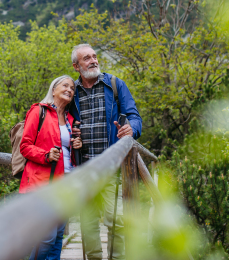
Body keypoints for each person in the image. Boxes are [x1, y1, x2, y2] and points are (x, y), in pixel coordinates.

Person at [71, 43, 142, 260]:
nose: (93, 60)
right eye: (86, 58)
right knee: (88, 222)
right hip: (85, 168)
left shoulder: (114, 84)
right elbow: (62, 123)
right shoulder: (71, 91)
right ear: (76, 66)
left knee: (115, 221)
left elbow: (135, 117)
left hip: (111, 167)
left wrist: (132, 128)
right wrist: (73, 137)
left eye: (94, 56)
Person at [19, 75, 83, 260]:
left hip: (65, 183)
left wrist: (76, 146)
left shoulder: (70, 120)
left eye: (72, 88)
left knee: (57, 239)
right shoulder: (39, 111)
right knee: (46, 238)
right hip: (41, 183)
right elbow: (25, 146)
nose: (70, 90)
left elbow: (65, 152)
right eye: (65, 86)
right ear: (53, 89)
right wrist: (45, 155)